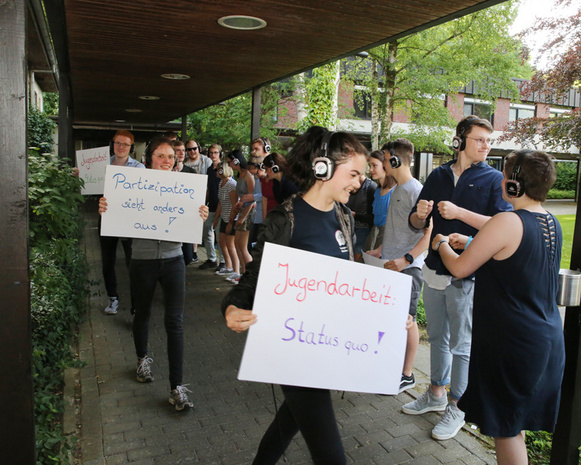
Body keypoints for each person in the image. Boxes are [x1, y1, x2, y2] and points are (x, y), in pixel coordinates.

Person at [221, 126, 373, 465]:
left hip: (324, 351)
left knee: (288, 422)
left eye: (362, 175)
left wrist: (386, 314)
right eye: (354, 173)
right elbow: (253, 280)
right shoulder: (284, 220)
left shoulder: (344, 217)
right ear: (324, 168)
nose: (359, 182)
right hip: (293, 355)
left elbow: (347, 283)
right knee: (331, 456)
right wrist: (230, 306)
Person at [432, 149, 564, 464]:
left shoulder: (507, 220)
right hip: (544, 337)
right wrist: (474, 244)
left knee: (507, 429)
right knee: (513, 426)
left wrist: (440, 245)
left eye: (506, 176)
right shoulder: (550, 221)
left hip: (512, 341)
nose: (503, 181)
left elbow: (461, 268)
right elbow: (513, 257)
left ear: (514, 185)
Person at [403, 116, 512, 441]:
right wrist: (420, 214)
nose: (486, 146)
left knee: (462, 344)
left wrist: (460, 214)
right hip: (434, 268)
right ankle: (436, 394)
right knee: (436, 336)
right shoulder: (437, 175)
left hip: (470, 273)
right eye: (480, 139)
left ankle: (458, 405)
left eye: (489, 141)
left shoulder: (493, 178)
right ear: (461, 140)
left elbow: (503, 223)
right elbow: (415, 223)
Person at [98, 137, 209, 411]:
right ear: (149, 160)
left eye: (171, 156)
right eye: (160, 156)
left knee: (176, 322)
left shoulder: (186, 187)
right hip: (143, 260)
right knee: (143, 313)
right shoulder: (134, 185)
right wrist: (106, 210)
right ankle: (142, 359)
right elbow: (119, 223)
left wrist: (200, 214)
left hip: (173, 261)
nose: (166, 161)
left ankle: (176, 387)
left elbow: (189, 221)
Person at [366, 138, 431, 393]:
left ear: (394, 159)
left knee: (408, 320)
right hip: (390, 264)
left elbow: (428, 235)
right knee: (392, 319)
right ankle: (391, 366)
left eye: (384, 158)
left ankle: (407, 374)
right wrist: (381, 250)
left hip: (408, 268)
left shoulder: (416, 191)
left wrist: (406, 260)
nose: (381, 163)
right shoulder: (397, 190)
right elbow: (395, 228)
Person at [100, 130, 145, 315]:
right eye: (118, 143)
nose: (120, 147)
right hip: (106, 216)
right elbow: (91, 184)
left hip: (129, 221)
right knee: (107, 262)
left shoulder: (139, 168)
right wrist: (82, 177)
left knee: (132, 264)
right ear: (113, 144)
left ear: (131, 148)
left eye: (125, 144)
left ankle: (135, 306)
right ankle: (113, 299)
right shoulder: (101, 164)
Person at [227, 149, 255, 282]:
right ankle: (243, 274)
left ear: (236, 161)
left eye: (229, 162)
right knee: (238, 244)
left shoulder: (248, 175)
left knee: (243, 247)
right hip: (241, 210)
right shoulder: (240, 175)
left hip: (248, 213)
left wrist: (243, 217)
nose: (228, 165)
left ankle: (249, 277)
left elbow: (252, 198)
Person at [363, 149, 395, 252]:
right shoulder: (377, 192)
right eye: (370, 166)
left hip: (387, 238)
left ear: (384, 165)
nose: (370, 170)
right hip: (374, 234)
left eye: (374, 165)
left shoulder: (395, 191)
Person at [199, 143, 224, 270]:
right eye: (211, 152)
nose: (213, 155)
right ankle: (211, 258)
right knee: (206, 232)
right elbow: (209, 188)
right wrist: (205, 201)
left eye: (215, 152)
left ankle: (223, 261)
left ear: (220, 154)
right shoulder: (209, 169)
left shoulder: (224, 168)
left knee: (220, 236)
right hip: (211, 205)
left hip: (223, 206)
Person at [213, 162, 240, 279]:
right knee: (222, 243)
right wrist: (216, 218)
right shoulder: (221, 183)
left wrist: (231, 222)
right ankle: (228, 267)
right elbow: (220, 202)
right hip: (224, 217)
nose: (216, 172)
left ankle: (236, 270)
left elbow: (235, 205)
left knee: (230, 245)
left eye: (218, 170)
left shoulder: (231, 184)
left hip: (231, 218)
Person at [172, 140, 196, 265]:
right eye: (177, 150)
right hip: (169, 219)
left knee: (187, 256)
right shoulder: (166, 172)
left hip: (186, 219)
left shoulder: (192, 173)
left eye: (183, 150)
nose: (181, 153)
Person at [346, 173, 376, 262]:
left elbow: (373, 218)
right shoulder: (347, 184)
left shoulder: (370, 187)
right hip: (348, 228)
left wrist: (355, 215)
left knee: (356, 261)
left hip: (363, 230)